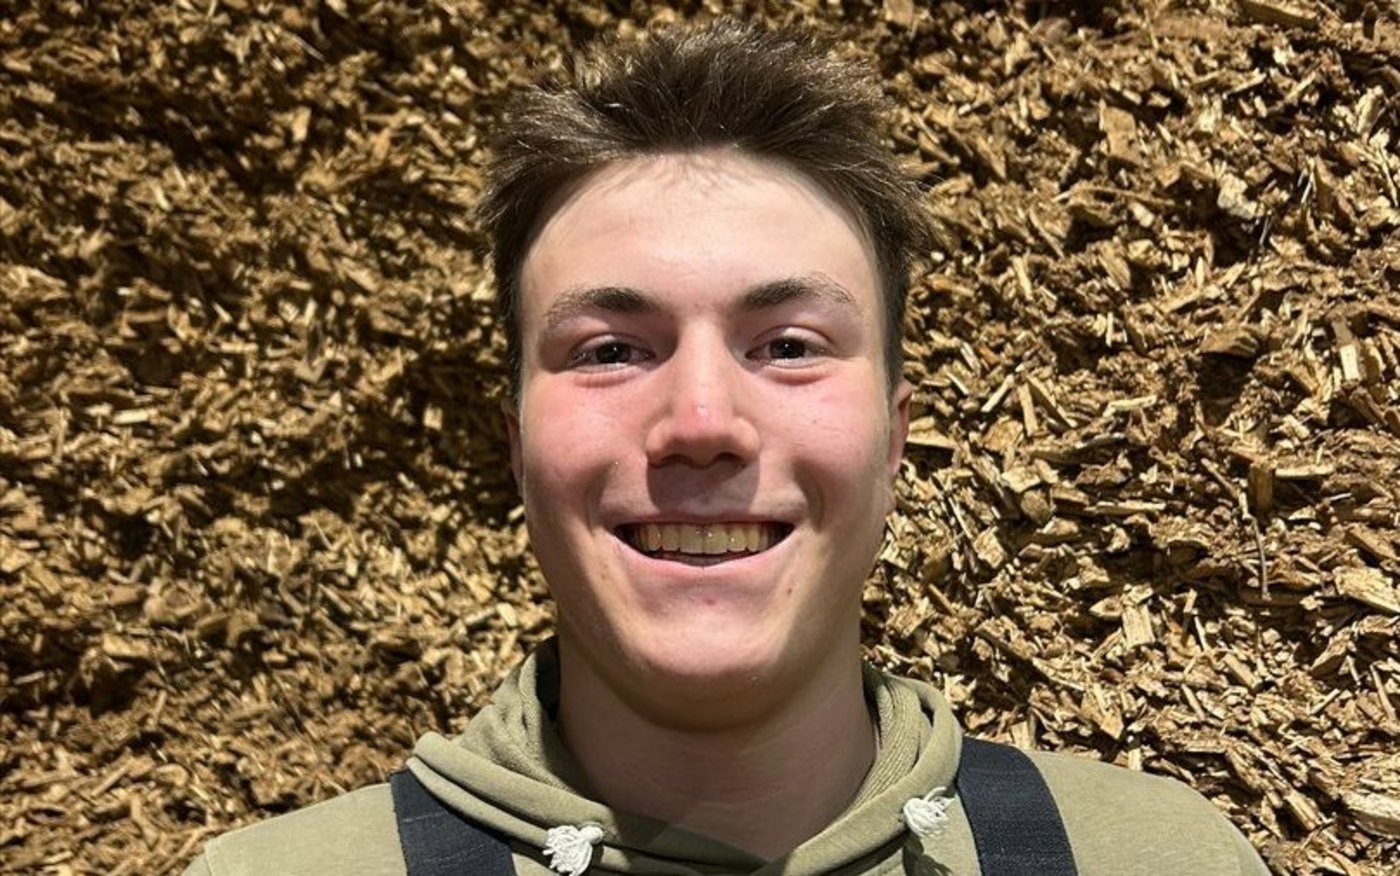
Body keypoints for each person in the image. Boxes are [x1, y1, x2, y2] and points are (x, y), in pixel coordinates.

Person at [184, 19, 1269, 876]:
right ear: (516, 448)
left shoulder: (1158, 858)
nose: (701, 422)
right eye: (611, 350)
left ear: (893, 442)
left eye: (787, 346)